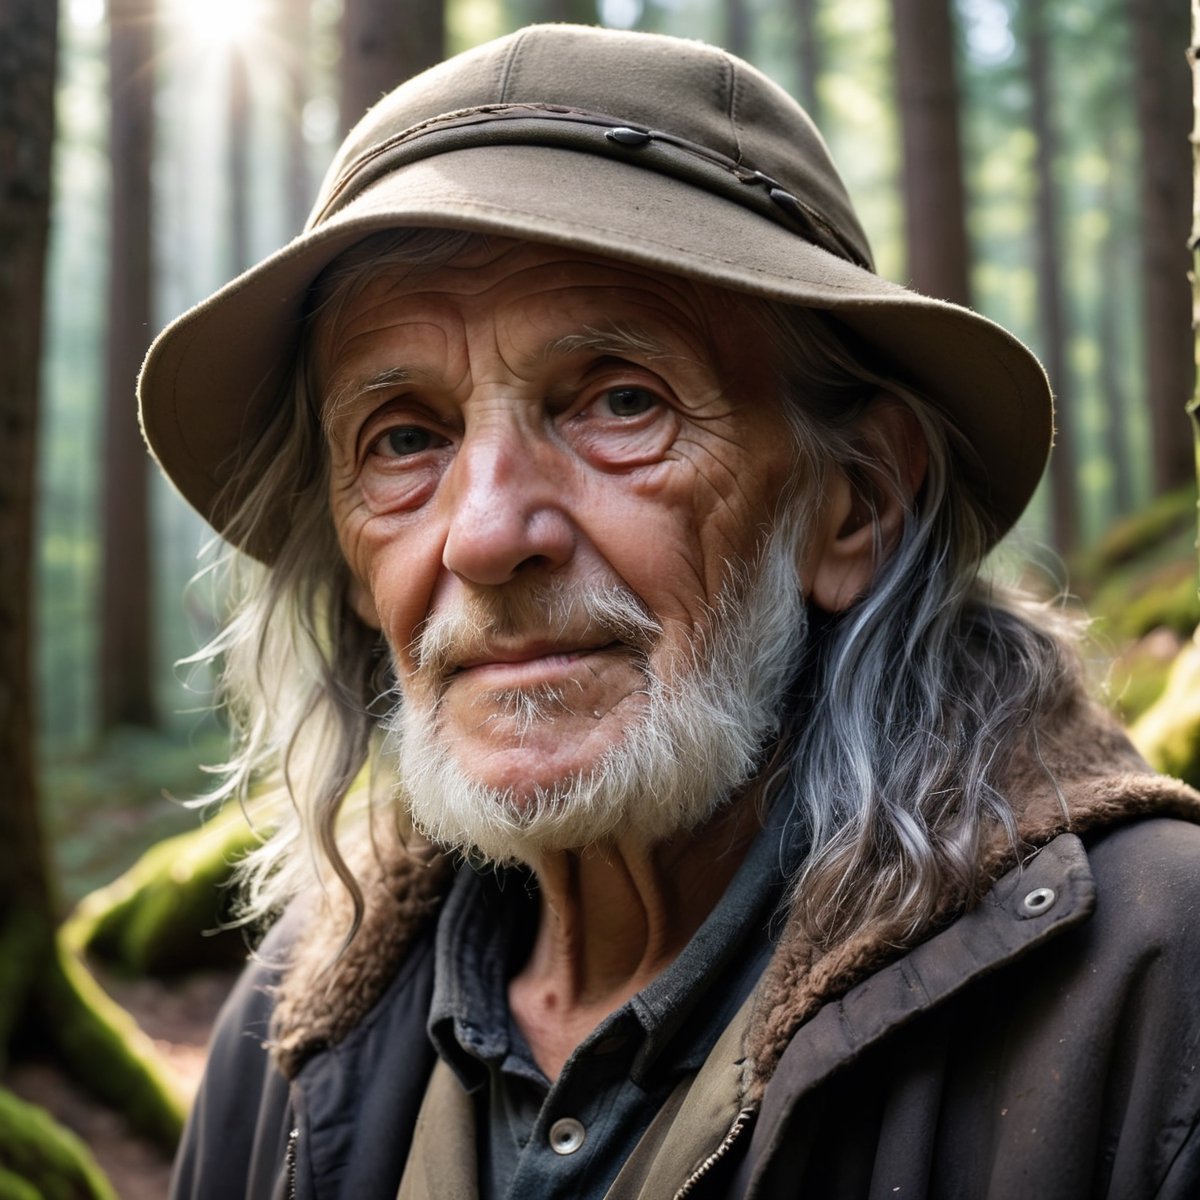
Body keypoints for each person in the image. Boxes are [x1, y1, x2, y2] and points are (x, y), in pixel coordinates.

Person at [139, 23, 1200, 1200]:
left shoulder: (1151, 985)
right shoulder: (297, 1020)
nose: (486, 536)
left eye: (620, 403)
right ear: (345, 557)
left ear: (853, 505)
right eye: (405, 438)